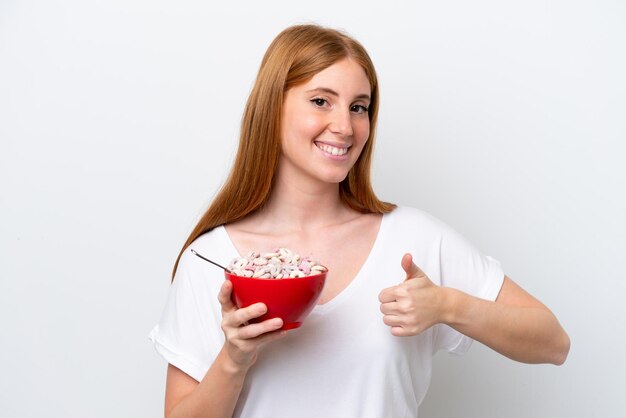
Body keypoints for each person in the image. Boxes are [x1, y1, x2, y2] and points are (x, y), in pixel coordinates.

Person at [150, 24, 570, 418]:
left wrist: (448, 305)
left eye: (359, 108)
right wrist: (233, 359)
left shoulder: (412, 239)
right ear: (271, 108)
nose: (345, 127)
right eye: (320, 101)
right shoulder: (211, 261)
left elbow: (553, 342)